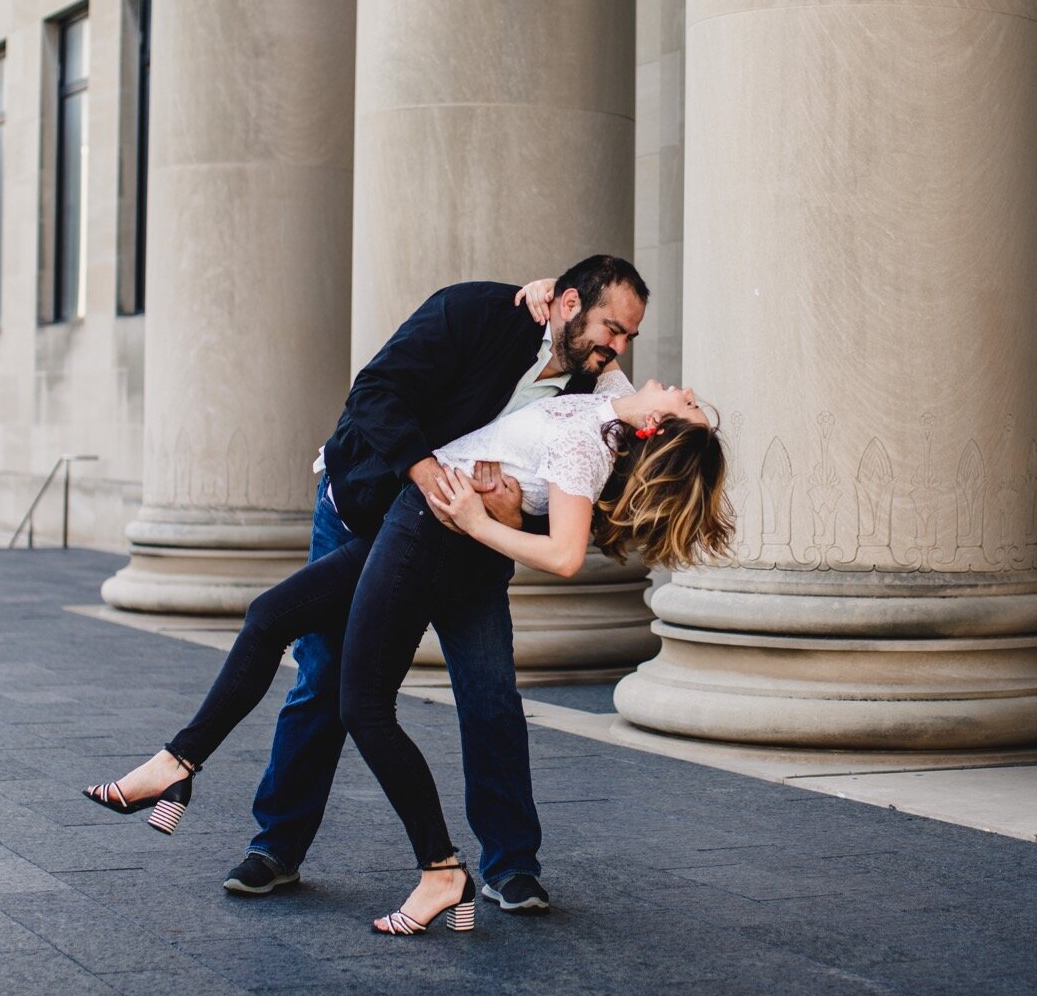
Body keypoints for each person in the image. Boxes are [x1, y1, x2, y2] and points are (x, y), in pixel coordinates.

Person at [89, 257, 664, 915]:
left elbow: (582, 496)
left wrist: (510, 509)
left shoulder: (602, 391)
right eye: (610, 329)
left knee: (490, 699)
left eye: (628, 337)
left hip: (468, 549)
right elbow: (375, 394)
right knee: (325, 679)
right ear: (565, 303)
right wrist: (425, 476)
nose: (616, 348)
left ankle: (511, 867)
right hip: (363, 512)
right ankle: (277, 846)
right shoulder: (476, 313)